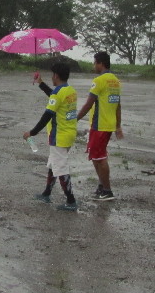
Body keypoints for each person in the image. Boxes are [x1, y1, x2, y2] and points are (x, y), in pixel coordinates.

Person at [24, 62, 79, 211]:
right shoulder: (70, 90)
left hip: (59, 136)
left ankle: (71, 201)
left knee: (60, 167)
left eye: (52, 75)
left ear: (56, 75)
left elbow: (47, 115)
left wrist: (32, 132)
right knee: (53, 164)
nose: (52, 77)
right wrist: (41, 83)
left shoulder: (58, 93)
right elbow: (54, 95)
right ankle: (46, 193)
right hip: (69, 134)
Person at [76, 52, 124, 201]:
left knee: (99, 158)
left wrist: (75, 118)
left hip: (100, 125)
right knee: (96, 156)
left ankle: (107, 190)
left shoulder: (99, 80)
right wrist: (118, 125)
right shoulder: (115, 81)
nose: (93, 66)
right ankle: (102, 186)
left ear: (101, 63)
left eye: (95, 63)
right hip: (108, 124)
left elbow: (89, 104)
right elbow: (118, 105)